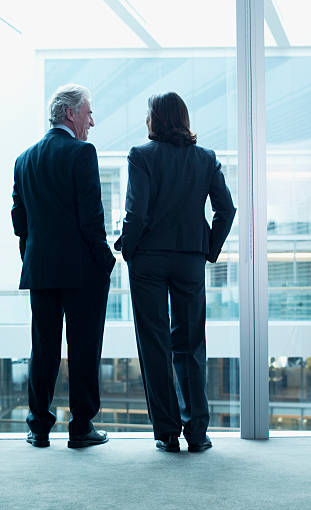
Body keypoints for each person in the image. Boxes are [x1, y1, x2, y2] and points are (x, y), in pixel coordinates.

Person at [114, 92, 235, 453]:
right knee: (191, 343)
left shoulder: (141, 156)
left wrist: (128, 249)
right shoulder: (205, 158)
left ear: (155, 119)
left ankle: (166, 432)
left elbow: (136, 213)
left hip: (149, 259)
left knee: (155, 344)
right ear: (183, 118)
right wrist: (208, 249)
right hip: (189, 259)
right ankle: (197, 432)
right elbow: (226, 209)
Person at [11, 83, 116, 449]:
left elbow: (19, 220)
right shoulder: (82, 153)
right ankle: (81, 427)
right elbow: (92, 217)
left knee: (43, 349)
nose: (92, 120)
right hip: (81, 270)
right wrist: (106, 260)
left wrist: (31, 255)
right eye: (88, 112)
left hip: (40, 269)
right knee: (84, 348)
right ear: (70, 114)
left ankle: (38, 427)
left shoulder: (23, 160)